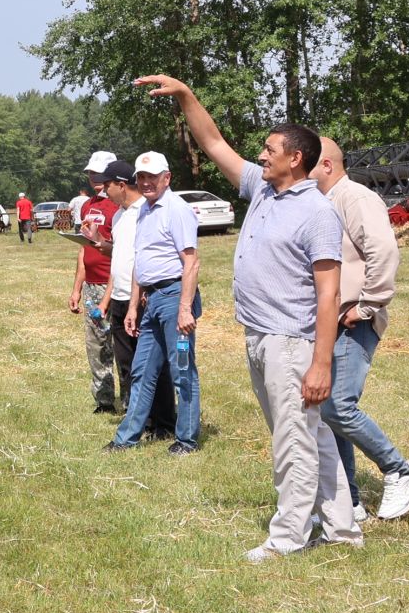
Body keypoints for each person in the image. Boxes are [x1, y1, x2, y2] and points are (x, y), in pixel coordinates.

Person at [136, 75, 354, 561]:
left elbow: (329, 293)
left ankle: (288, 537)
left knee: (292, 440)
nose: (260, 154)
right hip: (259, 335)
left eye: (269, 148)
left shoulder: (317, 212)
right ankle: (342, 527)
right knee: (310, 433)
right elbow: (214, 143)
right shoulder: (263, 190)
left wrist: (321, 363)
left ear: (295, 158)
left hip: (292, 341)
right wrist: (187, 95)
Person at [314, 137, 409, 520]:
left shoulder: (356, 198)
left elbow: (384, 250)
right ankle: (350, 501)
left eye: (307, 163)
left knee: (338, 407)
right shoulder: (324, 202)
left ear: (326, 165)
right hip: (331, 319)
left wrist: (366, 305)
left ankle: (401, 470)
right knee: (329, 414)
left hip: (352, 319)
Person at [104, 147, 202, 454]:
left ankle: (186, 440)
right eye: (141, 177)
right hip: (151, 299)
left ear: (166, 177)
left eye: (152, 177)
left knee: (181, 370)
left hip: (175, 298)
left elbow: (191, 262)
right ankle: (126, 439)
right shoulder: (145, 210)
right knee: (142, 369)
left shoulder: (177, 210)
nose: (146, 182)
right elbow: (140, 262)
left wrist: (185, 309)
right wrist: (133, 305)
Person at [98, 158, 175, 432]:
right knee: (128, 364)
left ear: (121, 185)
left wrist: (140, 295)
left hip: (140, 299)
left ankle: (163, 422)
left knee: (154, 365)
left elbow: (147, 258)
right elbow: (120, 255)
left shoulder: (146, 210)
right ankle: (138, 418)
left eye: (107, 185)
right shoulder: (119, 215)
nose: (103, 190)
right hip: (120, 298)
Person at [69, 155, 117, 413]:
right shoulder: (88, 205)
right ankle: (104, 401)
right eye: (91, 174)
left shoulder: (121, 206)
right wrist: (77, 287)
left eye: (99, 175)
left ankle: (134, 401)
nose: (95, 180)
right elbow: (82, 249)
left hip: (115, 284)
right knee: (96, 344)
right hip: (92, 284)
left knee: (119, 345)